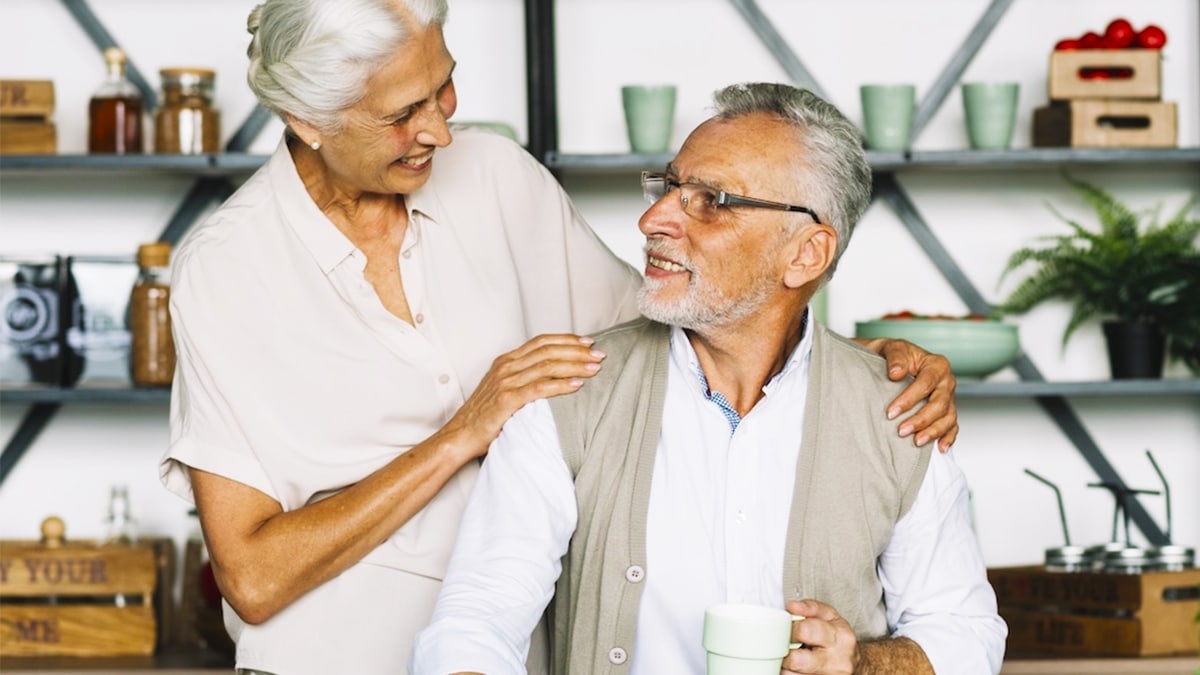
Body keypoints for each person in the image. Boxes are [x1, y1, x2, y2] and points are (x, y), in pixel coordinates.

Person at [157, 0, 961, 672]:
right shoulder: (225, 271)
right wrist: (462, 433)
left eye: (445, 87)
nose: (439, 129)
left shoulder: (496, 178)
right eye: (404, 113)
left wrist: (864, 365)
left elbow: (699, 312)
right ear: (309, 119)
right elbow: (253, 577)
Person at [410, 82, 1006, 675]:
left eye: (711, 199)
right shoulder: (569, 395)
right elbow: (478, 620)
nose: (652, 219)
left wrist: (862, 666)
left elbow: (963, 634)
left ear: (805, 254)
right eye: (670, 187)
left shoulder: (899, 413)